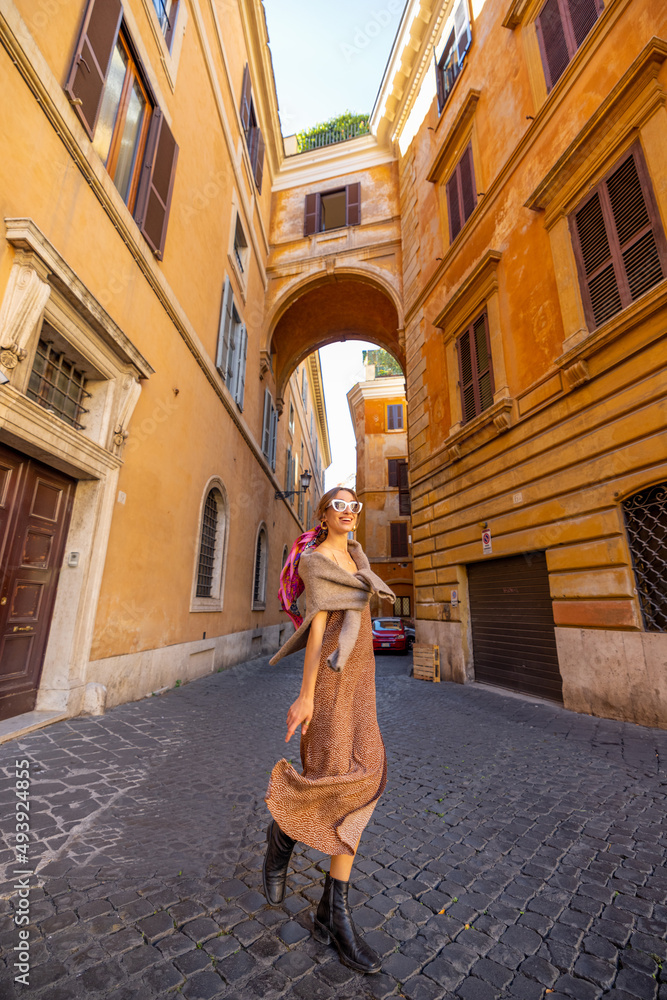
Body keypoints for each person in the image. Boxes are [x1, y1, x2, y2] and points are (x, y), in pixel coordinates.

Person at [262, 486, 396, 974]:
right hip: (332, 683)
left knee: (367, 779)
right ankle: (287, 841)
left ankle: (326, 909)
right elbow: (318, 628)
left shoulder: (358, 559)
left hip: (362, 680)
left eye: (353, 506)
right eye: (338, 504)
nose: (348, 511)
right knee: (334, 778)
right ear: (324, 513)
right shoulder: (318, 559)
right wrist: (305, 695)